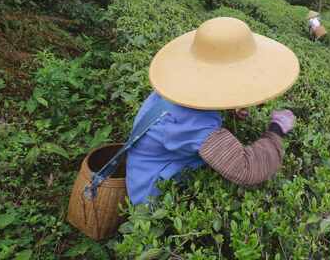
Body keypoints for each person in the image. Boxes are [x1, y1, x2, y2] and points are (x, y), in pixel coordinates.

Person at [126, 17, 300, 205]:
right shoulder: (193, 124)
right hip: (153, 199)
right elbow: (247, 169)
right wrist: (277, 129)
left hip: (144, 171)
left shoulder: (174, 89)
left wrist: (228, 109)